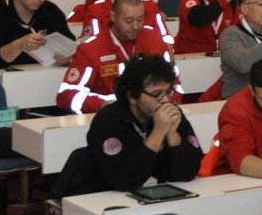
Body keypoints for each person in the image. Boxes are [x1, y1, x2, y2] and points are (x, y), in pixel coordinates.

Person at [55, 54, 200, 196]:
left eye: (169, 92)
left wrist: (171, 133)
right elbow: (125, 180)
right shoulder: (108, 120)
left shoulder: (171, 114)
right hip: (99, 196)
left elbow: (186, 173)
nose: (165, 100)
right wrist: (158, 132)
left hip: (152, 195)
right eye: (156, 94)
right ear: (132, 96)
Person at [57, 0, 171, 113]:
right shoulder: (91, 48)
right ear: (113, 16)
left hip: (155, 115)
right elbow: (66, 95)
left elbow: (173, 83)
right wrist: (102, 104)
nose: (136, 26)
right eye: (129, 21)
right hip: (111, 119)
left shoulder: (155, 39)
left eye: (140, 19)